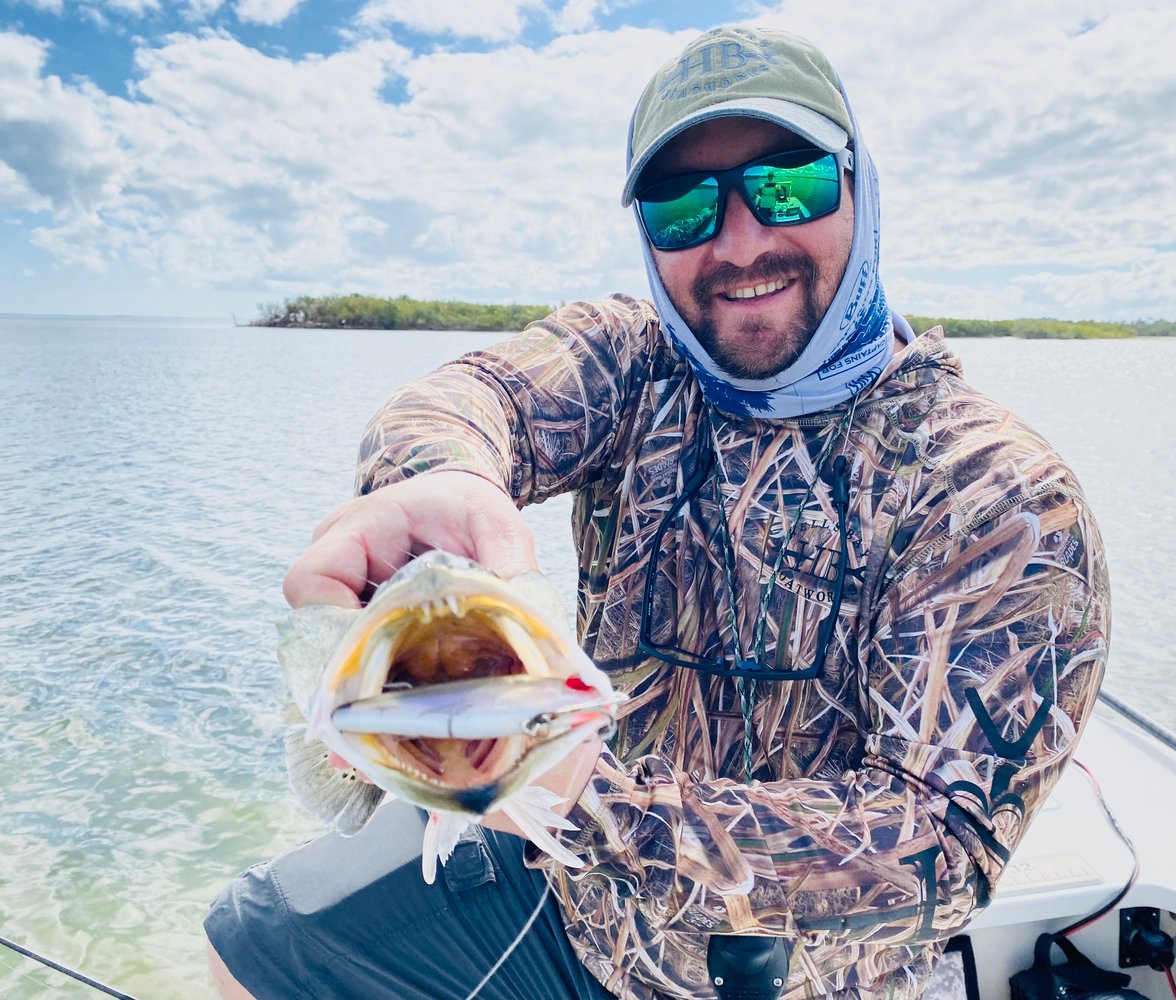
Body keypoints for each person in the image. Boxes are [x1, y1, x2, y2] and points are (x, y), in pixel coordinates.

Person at [205, 24, 1110, 1000]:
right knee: (246, 945)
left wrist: (581, 798)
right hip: (570, 910)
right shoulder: (634, 365)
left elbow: (934, 850)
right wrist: (440, 478)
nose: (740, 239)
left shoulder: (997, 491)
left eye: (786, 183)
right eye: (682, 206)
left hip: (807, 983)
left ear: (859, 183)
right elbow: (476, 396)